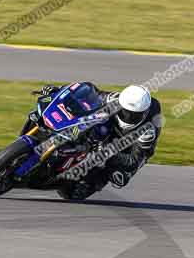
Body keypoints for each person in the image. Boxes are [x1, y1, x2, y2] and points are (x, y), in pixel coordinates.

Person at [33, 83, 163, 200]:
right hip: (112, 126)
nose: (128, 117)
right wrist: (58, 92)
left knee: (119, 177)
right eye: (125, 112)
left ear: (144, 113)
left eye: (134, 115)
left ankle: (92, 181)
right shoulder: (114, 99)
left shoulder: (148, 130)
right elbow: (88, 93)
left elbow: (133, 161)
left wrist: (107, 153)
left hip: (130, 146)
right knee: (90, 119)